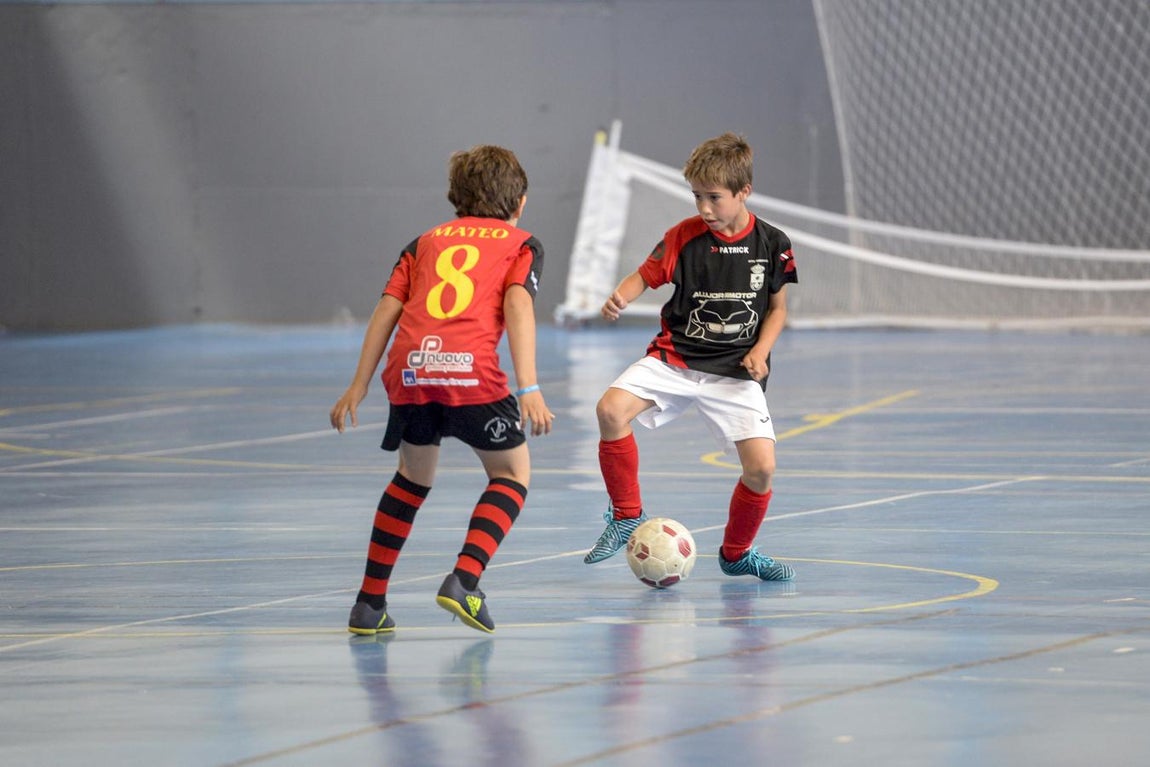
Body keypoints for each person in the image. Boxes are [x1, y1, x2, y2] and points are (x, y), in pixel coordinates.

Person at [331, 145, 554, 635]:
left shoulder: (423, 241)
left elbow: (386, 309)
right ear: (519, 201)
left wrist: (358, 384)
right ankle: (465, 581)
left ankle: (369, 606)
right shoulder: (521, 243)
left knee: (411, 479)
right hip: (470, 371)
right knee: (512, 475)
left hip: (410, 370)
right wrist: (530, 386)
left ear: (456, 198)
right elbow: (518, 306)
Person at [583, 132, 797, 581]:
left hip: (735, 372)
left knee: (761, 470)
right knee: (609, 410)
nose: (704, 208)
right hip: (675, 358)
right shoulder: (683, 236)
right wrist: (619, 297)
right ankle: (625, 515)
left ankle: (737, 554)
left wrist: (760, 351)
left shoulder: (772, 243)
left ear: (744, 192)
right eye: (697, 196)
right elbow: (644, 275)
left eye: (714, 198)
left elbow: (778, 310)